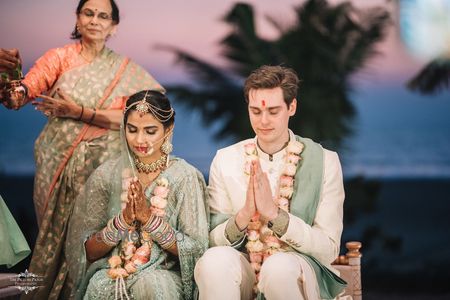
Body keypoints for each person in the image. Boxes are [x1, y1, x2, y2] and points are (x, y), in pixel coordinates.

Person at [1, 0, 163, 299]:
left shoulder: (126, 71)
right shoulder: (58, 58)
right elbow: (16, 99)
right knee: (54, 239)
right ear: (77, 19)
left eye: (103, 16)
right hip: (57, 162)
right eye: (88, 13)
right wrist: (10, 77)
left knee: (98, 237)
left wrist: (78, 112)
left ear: (114, 26)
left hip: (104, 166)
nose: (95, 20)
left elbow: (141, 117)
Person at [194, 65, 347, 299]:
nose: (263, 121)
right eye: (255, 111)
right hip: (244, 269)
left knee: (278, 268)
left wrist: (276, 216)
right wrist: (243, 216)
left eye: (273, 111)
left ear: (292, 107)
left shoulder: (326, 161)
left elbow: (328, 249)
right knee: (213, 261)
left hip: (297, 269)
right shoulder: (226, 160)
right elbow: (211, 239)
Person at [65, 90, 209, 300]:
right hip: (114, 273)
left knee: (150, 284)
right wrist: (122, 222)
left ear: (168, 129)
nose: (140, 140)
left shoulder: (185, 177)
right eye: (132, 130)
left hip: (165, 275)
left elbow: (196, 250)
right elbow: (88, 252)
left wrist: (150, 221)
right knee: (101, 287)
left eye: (150, 131)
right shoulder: (107, 175)